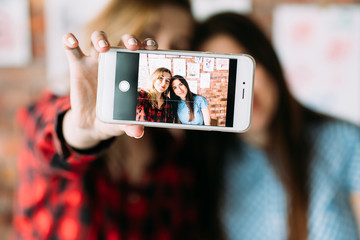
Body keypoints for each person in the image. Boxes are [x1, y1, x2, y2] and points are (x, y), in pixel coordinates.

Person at [13, 0, 215, 239]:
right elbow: (51, 141)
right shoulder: (52, 113)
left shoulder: (175, 154)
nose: (164, 50)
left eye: (180, 44)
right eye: (149, 33)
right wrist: (84, 131)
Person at [192, 13, 360, 240]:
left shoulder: (345, 141)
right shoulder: (206, 168)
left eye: (243, 65)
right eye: (218, 78)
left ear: (268, 60)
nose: (238, 89)